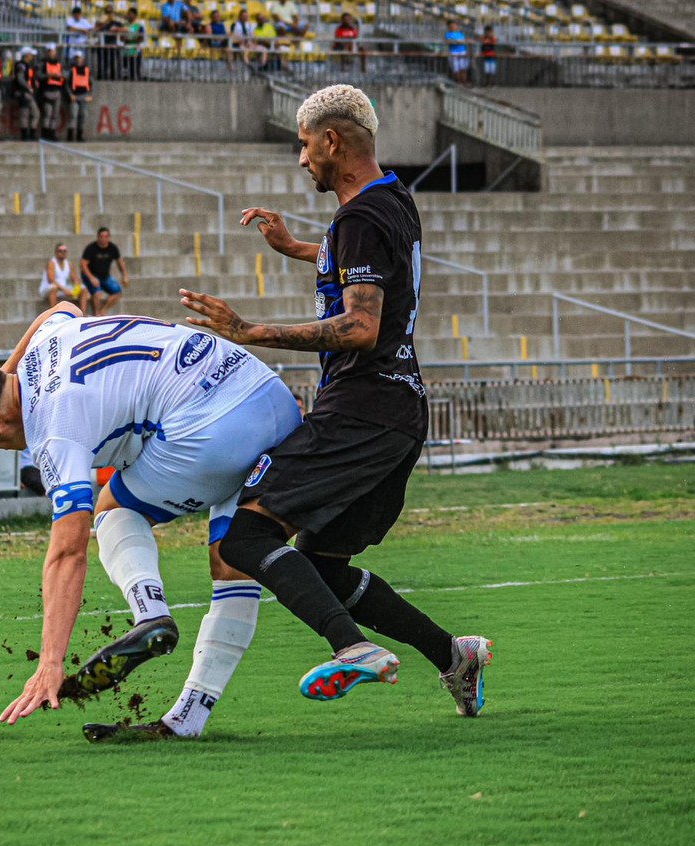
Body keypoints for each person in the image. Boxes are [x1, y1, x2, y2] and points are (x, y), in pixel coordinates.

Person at [177, 84, 493, 722]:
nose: (300, 161)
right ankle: (454, 655)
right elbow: (372, 265)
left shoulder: (357, 221)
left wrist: (251, 332)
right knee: (323, 563)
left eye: (303, 145)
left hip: (360, 409)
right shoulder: (393, 199)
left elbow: (360, 328)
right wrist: (301, 249)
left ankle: (352, 647)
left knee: (243, 536)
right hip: (401, 413)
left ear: (330, 142)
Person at [0, 301, 301, 726]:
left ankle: (150, 614)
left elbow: (68, 553)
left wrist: (50, 662)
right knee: (231, 562)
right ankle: (187, 721)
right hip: (272, 399)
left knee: (112, 509)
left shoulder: (53, 432)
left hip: (212, 431)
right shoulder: (50, 340)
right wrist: (7, 371)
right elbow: (61, 308)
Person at [80, 226, 128, 315]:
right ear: (98, 237)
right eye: (101, 236)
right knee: (97, 293)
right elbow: (83, 264)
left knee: (117, 291)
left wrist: (124, 275)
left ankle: (103, 310)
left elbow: (120, 262)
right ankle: (96, 313)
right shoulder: (91, 248)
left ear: (109, 237)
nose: (104, 239)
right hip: (91, 274)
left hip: (104, 276)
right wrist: (91, 278)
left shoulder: (112, 248)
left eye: (106, 236)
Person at [38, 242, 89, 311]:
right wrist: (64, 290)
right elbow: (51, 280)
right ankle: (54, 314)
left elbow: (75, 279)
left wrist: (75, 290)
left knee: (83, 289)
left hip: (63, 288)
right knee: (54, 288)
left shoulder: (69, 264)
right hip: (49, 288)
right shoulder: (51, 263)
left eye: (64, 251)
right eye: (60, 251)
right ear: (56, 252)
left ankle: (83, 314)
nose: (62, 253)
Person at [37, 43, 65, 141]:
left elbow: (65, 74)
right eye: (49, 51)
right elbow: (39, 75)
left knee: (55, 114)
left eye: (52, 51)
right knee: (47, 113)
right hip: (47, 91)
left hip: (57, 90)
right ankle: (45, 133)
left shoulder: (59, 63)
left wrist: (60, 76)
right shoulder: (42, 63)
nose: (51, 53)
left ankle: (52, 132)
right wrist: (47, 75)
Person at [65, 49, 93, 142]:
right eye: (76, 58)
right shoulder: (71, 70)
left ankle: (79, 135)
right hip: (74, 96)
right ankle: (70, 136)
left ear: (83, 59)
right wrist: (70, 94)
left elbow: (91, 83)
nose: (78, 60)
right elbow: (67, 84)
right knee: (73, 115)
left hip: (84, 95)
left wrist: (90, 95)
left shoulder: (87, 70)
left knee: (83, 115)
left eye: (79, 58)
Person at [13, 46, 40, 141]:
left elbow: (29, 77)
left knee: (33, 113)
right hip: (23, 92)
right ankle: (26, 135)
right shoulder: (21, 65)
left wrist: (34, 82)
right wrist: (28, 88)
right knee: (27, 113)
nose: (32, 56)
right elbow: (20, 79)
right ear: (27, 55)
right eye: (31, 54)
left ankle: (30, 135)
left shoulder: (28, 65)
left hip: (27, 92)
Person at [94, 2, 125, 80]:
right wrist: (105, 22)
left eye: (110, 12)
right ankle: (101, 76)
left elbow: (125, 29)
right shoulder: (100, 22)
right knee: (102, 62)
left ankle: (113, 77)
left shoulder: (116, 22)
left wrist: (117, 29)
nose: (109, 14)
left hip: (112, 44)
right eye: (107, 12)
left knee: (113, 61)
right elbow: (95, 30)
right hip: (102, 44)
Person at [122, 7, 145, 81]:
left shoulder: (139, 25)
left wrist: (131, 39)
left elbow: (142, 38)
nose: (128, 15)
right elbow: (121, 37)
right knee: (125, 66)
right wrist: (123, 38)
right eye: (128, 14)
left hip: (135, 48)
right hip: (126, 47)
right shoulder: (125, 25)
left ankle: (136, 80)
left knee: (135, 66)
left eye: (130, 14)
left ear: (135, 15)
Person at [445, 19, 469, 85]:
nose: (453, 27)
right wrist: (457, 41)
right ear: (449, 27)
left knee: (463, 68)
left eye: (454, 25)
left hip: (462, 51)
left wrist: (458, 41)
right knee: (456, 69)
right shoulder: (448, 34)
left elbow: (464, 41)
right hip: (454, 52)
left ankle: (464, 82)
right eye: (451, 26)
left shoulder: (460, 33)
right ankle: (458, 82)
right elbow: (448, 41)